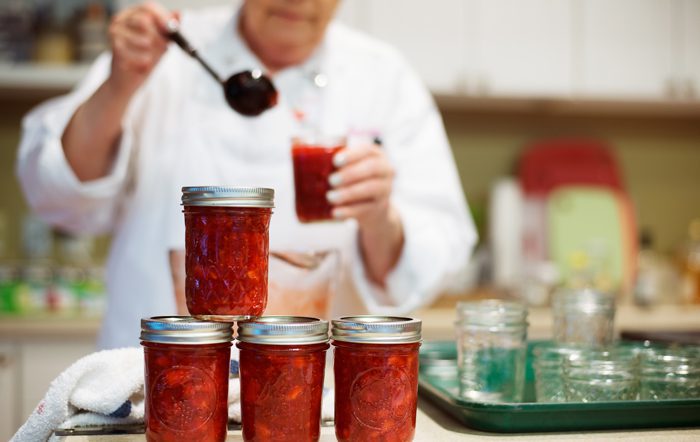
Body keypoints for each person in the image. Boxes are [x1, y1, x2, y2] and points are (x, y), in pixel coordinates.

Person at [16, 0, 477, 349]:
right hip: (155, 380)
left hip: (312, 391)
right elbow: (57, 192)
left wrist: (380, 216)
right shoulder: (169, 51)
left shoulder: (382, 77)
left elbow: (434, 256)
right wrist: (120, 85)